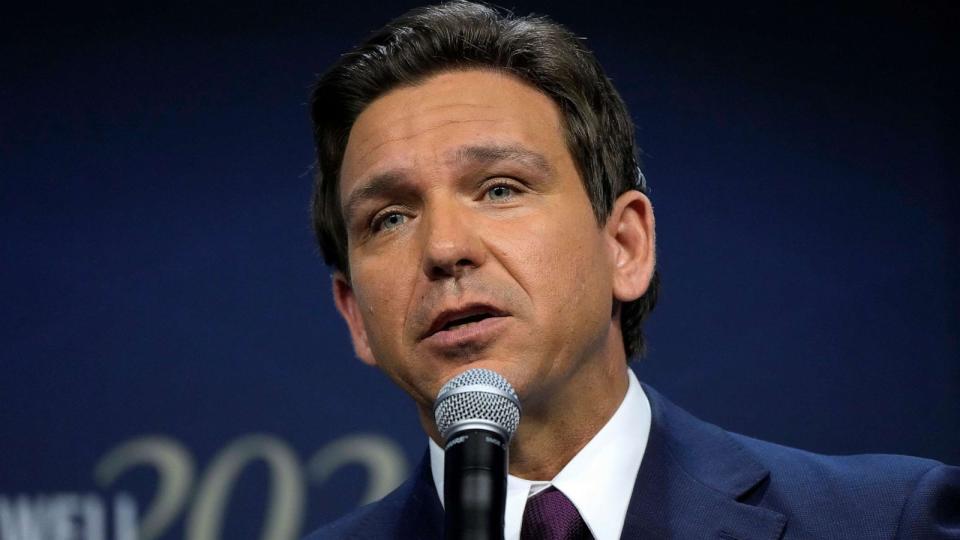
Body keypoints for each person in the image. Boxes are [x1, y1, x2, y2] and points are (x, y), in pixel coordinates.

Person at [303, 2, 959, 538]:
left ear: (625, 244)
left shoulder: (886, 520)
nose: (444, 249)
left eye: (500, 188)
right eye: (389, 218)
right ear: (355, 313)